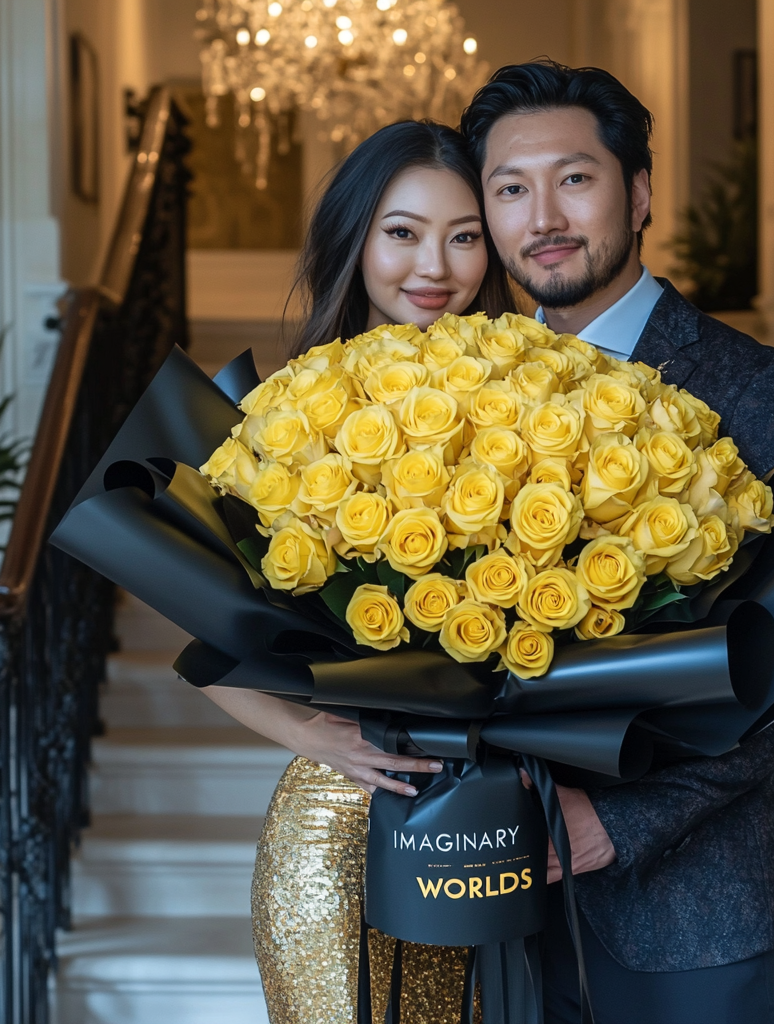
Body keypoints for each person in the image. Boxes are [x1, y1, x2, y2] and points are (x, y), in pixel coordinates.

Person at [459, 61, 774, 1024]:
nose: (543, 216)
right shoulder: (461, 391)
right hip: (487, 897)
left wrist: (618, 822)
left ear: (638, 193)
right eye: (510, 189)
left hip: (689, 910)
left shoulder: (765, 389)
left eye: (574, 178)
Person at [199, 119, 515, 1024]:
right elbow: (206, 631)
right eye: (402, 232)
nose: (435, 267)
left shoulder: (531, 401)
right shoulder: (285, 415)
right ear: (356, 238)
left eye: (464, 236)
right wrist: (313, 735)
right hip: (334, 829)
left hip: (492, 826)